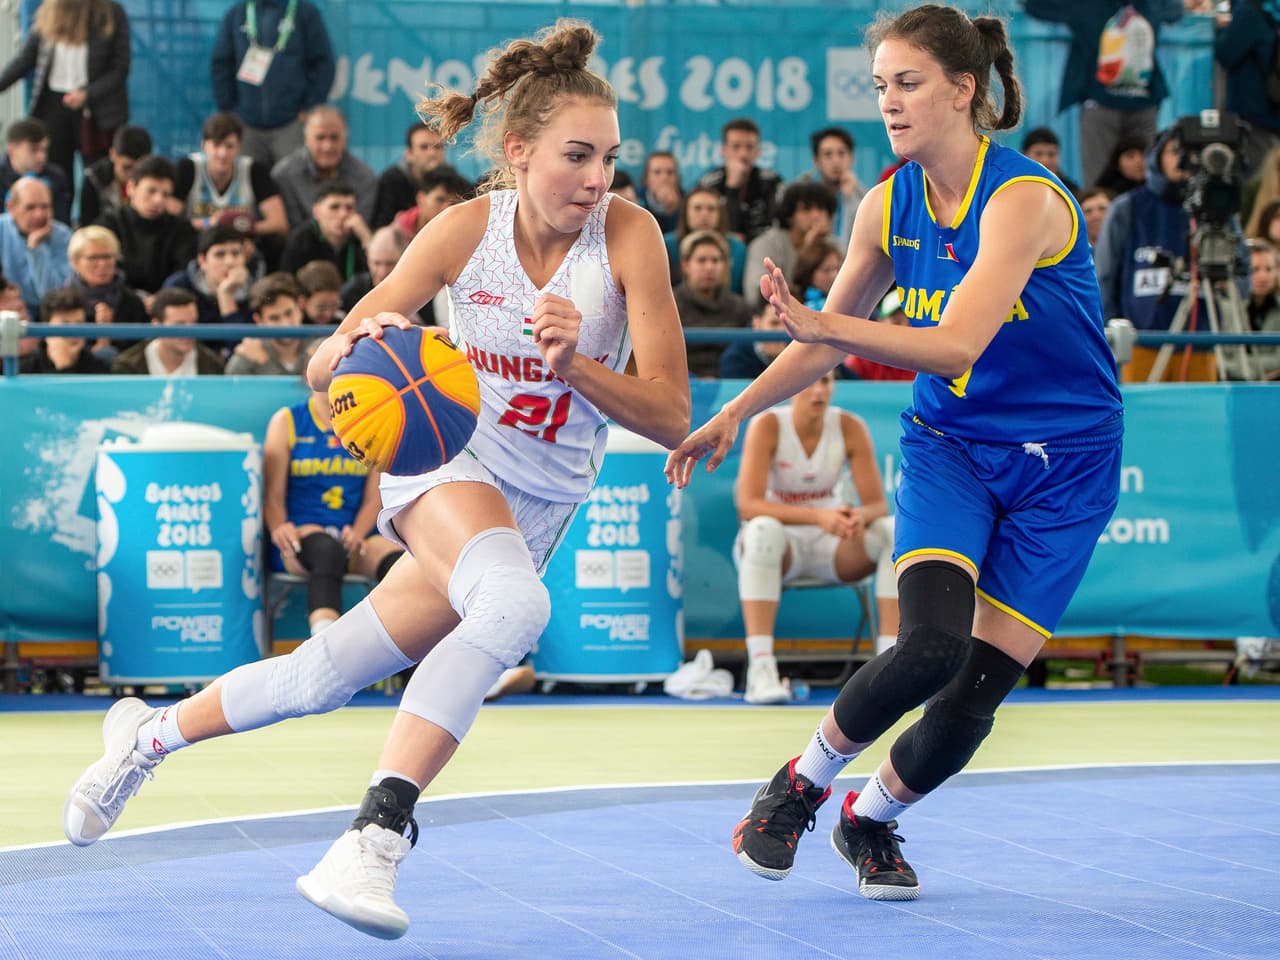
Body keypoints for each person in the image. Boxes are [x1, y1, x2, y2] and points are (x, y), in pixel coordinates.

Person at [62, 19, 690, 940]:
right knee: (515, 611)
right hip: (441, 465)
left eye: (609, 157)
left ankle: (144, 737)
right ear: (518, 152)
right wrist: (347, 351)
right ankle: (375, 838)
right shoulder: (461, 233)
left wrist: (579, 368)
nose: (598, 178)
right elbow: (327, 368)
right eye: (578, 155)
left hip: (541, 504)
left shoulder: (629, 238)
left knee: (326, 672)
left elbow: (671, 413)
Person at [665, 4, 1122, 901]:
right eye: (879, 86)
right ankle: (797, 787)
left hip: (1068, 465)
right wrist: (735, 412)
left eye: (907, 83)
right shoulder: (886, 204)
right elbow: (821, 345)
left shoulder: (1023, 200)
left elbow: (954, 343)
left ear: (963, 89)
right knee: (929, 648)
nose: (889, 102)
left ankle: (868, 820)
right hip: (953, 444)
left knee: (971, 702)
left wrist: (827, 320)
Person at [733, 369, 899, 704]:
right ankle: (761, 670)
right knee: (763, 530)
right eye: (808, 381)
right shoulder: (767, 425)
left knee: (892, 531)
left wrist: (856, 517)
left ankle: (891, 668)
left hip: (833, 549)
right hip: (780, 550)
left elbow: (877, 505)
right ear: (792, 385)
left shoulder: (850, 426)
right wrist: (817, 516)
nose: (818, 390)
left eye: (825, 381)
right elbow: (748, 505)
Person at [1094, 127, 1248, 382]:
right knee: (1142, 418)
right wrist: (1111, 329)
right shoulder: (1127, 207)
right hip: (1140, 343)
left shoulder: (1218, 210)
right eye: (1176, 151)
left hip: (1201, 341)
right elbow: (1105, 274)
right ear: (1157, 156)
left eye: (1193, 153)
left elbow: (1241, 271)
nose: (1184, 159)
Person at [263, 388, 404, 633]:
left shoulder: (370, 422)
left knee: (401, 564)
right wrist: (279, 528)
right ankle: (325, 649)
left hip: (355, 536)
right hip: (303, 535)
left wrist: (358, 532)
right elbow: (271, 495)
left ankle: (411, 663)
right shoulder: (287, 421)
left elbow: (375, 499)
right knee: (327, 551)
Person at [1023, 0, 1184, 189]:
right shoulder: (1086, 5)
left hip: (1138, 104)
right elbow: (1035, 6)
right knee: (1100, 187)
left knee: (1146, 182)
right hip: (1106, 103)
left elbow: (1175, 10)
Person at [0, 0, 131, 178]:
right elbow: (25, 60)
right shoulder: (48, 11)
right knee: (56, 175)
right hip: (53, 108)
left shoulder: (111, 12)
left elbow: (120, 68)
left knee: (96, 175)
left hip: (96, 110)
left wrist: (87, 94)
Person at [210, 0, 335, 169]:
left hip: (291, 123)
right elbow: (221, 64)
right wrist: (229, 109)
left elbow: (323, 63)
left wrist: (310, 107)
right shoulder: (237, 13)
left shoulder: (304, 12)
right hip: (246, 124)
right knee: (249, 186)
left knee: (291, 184)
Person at [169, 112, 289, 254]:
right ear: (204, 145)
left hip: (242, 247)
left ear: (239, 147)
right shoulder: (187, 169)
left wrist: (241, 226)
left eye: (229, 146)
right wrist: (210, 224)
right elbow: (170, 220)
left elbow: (280, 224)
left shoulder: (254, 171)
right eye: (217, 145)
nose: (222, 153)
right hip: (196, 246)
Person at [95, 155, 198, 296]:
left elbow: (183, 275)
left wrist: (160, 300)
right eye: (151, 191)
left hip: (168, 305)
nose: (158, 200)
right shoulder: (108, 225)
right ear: (131, 188)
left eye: (165, 194)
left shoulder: (182, 230)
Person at [271, 106, 377, 229]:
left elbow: (361, 224)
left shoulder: (364, 176)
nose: (327, 146)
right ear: (306, 139)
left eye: (334, 138)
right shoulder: (284, 174)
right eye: (320, 138)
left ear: (345, 139)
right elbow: (291, 229)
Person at [742, 181, 839, 312]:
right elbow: (755, 295)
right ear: (789, 215)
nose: (816, 215)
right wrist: (807, 253)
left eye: (821, 209)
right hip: (776, 320)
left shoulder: (834, 246)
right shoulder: (765, 245)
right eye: (806, 209)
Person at [673, 229, 752, 377]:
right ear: (685, 265)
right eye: (701, 260)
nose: (709, 267)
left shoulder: (739, 307)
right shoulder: (669, 304)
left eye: (715, 260)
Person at [65, 223, 147, 360]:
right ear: (75, 262)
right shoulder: (62, 303)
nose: (102, 264)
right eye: (93, 258)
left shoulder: (131, 301)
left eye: (108, 257)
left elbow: (139, 349)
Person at [698, 117, 783, 243]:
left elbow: (776, 226)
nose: (743, 154)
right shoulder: (709, 184)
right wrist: (732, 188)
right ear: (723, 150)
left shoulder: (772, 181)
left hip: (762, 248)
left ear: (758, 151)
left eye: (749, 147)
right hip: (719, 248)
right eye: (736, 147)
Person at [0, 176, 72, 317]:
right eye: (30, 207)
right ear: (10, 208)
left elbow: (53, 297)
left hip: (51, 318)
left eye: (45, 206)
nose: (39, 214)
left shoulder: (63, 236)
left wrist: (36, 248)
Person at [110, 287, 225, 375]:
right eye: (179, 325)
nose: (189, 331)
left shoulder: (212, 365)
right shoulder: (127, 366)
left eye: (193, 323)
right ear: (157, 326)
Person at [225, 271, 318, 375]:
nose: (285, 324)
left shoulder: (321, 349)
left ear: (300, 308)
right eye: (274, 318)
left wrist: (265, 363)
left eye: (289, 313)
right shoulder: (247, 356)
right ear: (259, 321)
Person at [790, 127, 867, 247]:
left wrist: (849, 199)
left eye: (841, 154)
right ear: (816, 161)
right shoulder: (798, 191)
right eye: (828, 154)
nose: (835, 161)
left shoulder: (865, 196)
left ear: (851, 158)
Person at [664, 185, 746, 291]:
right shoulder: (666, 245)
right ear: (685, 213)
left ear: (720, 214)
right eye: (697, 208)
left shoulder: (737, 248)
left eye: (711, 209)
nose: (704, 214)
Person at [279, 183, 369, 279]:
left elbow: (379, 274)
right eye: (334, 207)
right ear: (316, 212)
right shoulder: (301, 240)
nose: (343, 214)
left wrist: (365, 236)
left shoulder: (360, 236)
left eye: (349, 208)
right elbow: (287, 280)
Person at [371, 122, 449, 229]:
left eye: (438, 147)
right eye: (424, 147)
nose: (432, 153)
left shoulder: (454, 182)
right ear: (409, 154)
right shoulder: (392, 181)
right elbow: (381, 228)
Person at [1223, 237, 1280, 380]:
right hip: (1233, 385)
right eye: (1255, 270)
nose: (1263, 277)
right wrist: (1258, 373)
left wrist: (1244, 365)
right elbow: (1220, 360)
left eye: (1268, 269)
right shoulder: (1224, 308)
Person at [19, 287, 110, 373]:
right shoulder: (25, 369)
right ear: (47, 326)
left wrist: (66, 367)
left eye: (79, 323)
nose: (73, 331)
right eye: (65, 324)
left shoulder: (99, 369)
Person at [0, 118, 73, 225]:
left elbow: (60, 222)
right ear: (12, 150)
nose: (42, 157)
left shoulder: (56, 176)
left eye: (44, 150)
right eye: (34, 150)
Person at [79, 124, 151, 226]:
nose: (132, 175)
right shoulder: (93, 179)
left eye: (139, 170)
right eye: (126, 167)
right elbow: (87, 228)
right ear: (113, 154)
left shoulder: (156, 182)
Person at [719, 301, 789, 379]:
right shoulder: (735, 359)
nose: (782, 330)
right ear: (757, 324)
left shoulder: (800, 348)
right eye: (774, 323)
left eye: (787, 324)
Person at [1020, 126, 1081, 196]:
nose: (1045, 160)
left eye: (1051, 154)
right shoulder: (1013, 187)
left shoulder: (1071, 191)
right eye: (1038, 153)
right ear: (1024, 155)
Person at [637, 149, 683, 234]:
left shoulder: (688, 201)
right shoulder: (635, 200)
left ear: (678, 177)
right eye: (657, 172)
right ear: (646, 178)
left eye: (670, 172)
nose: (664, 178)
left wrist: (673, 212)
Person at [1092, 132, 1150, 196]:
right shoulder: (1103, 196)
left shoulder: (1159, 190)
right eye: (1130, 156)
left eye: (1143, 154)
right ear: (1117, 164)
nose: (1139, 161)